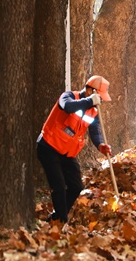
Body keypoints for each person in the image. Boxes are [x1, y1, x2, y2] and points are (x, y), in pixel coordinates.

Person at [37, 76, 112, 223]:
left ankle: (56, 217)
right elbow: (67, 106)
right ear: (90, 90)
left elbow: (95, 132)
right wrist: (89, 101)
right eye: (99, 97)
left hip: (67, 153)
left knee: (76, 186)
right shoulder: (69, 96)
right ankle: (61, 222)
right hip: (49, 147)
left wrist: (101, 145)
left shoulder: (93, 111)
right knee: (58, 186)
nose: (101, 101)